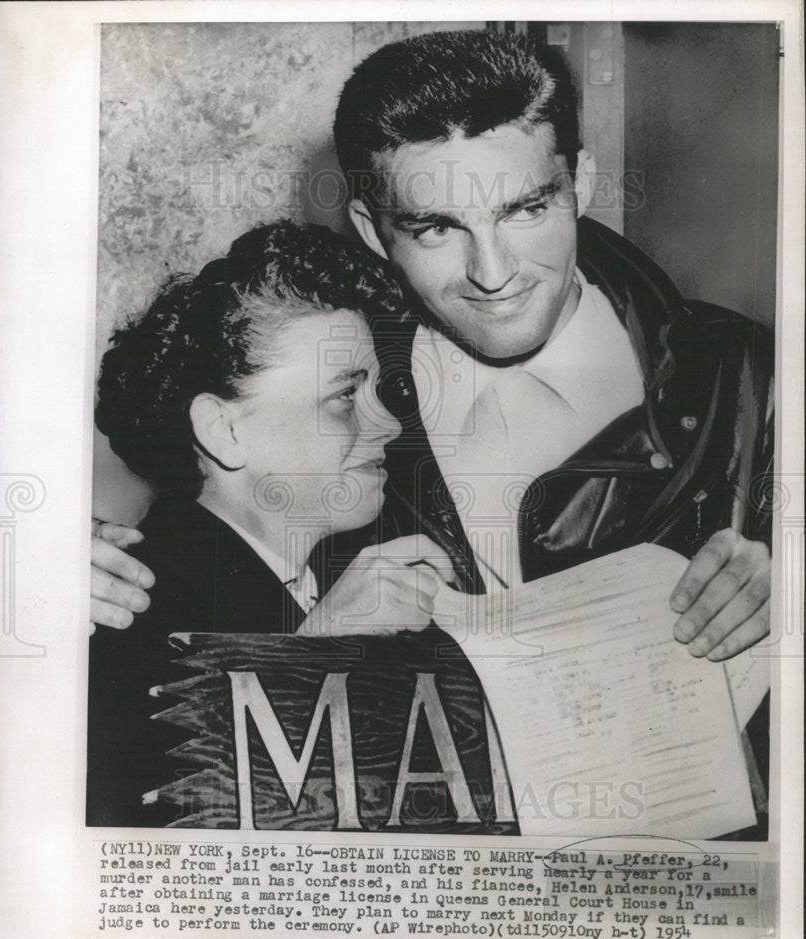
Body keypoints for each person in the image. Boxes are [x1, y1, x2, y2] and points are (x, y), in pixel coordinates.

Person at [91, 29, 772, 669]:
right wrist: (70, 574)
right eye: (437, 228)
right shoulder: (333, 387)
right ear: (371, 229)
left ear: (581, 185)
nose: (494, 272)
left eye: (526, 210)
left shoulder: (741, 377)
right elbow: (198, 556)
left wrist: (792, 584)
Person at [87, 219, 455, 826]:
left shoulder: (341, 582)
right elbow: (163, 855)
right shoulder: (125, 610)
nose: (388, 425)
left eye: (379, 391)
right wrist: (317, 654)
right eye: (344, 396)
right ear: (225, 431)